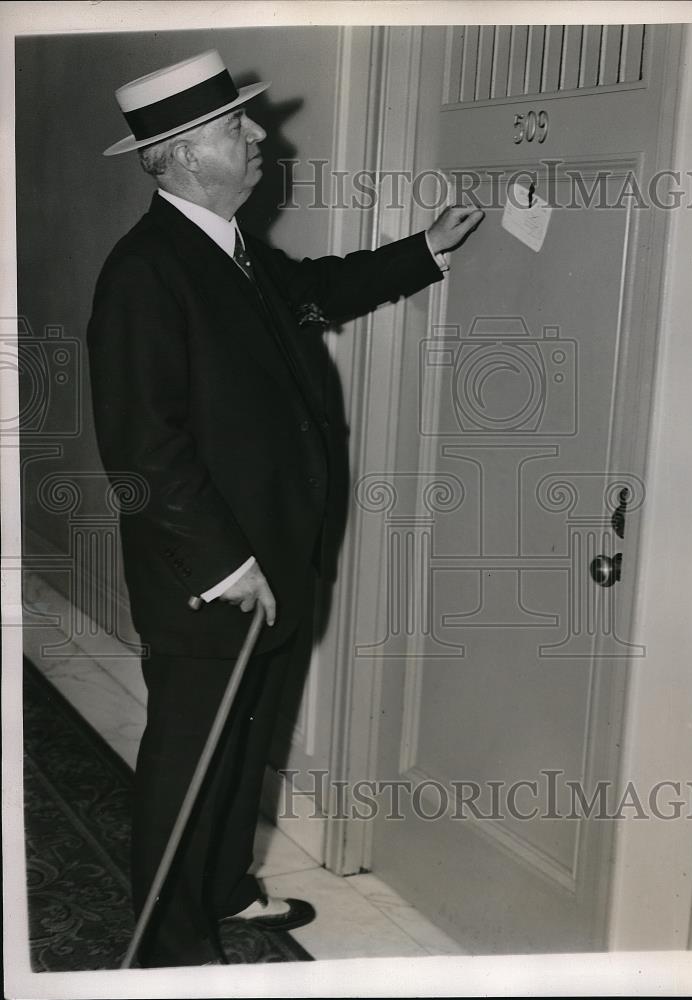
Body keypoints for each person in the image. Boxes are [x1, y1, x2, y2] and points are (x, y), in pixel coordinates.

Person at [88, 49, 482, 967]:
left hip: (276, 557)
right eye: (236, 125)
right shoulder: (145, 272)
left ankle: (223, 888)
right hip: (212, 576)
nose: (259, 136)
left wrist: (422, 251)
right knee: (193, 754)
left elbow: (313, 293)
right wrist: (230, 567)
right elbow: (142, 455)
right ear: (182, 155)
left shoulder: (228, 251)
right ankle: (166, 948)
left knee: (246, 738)